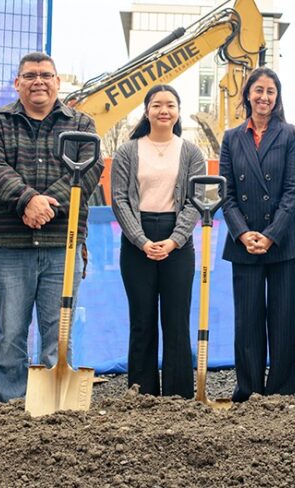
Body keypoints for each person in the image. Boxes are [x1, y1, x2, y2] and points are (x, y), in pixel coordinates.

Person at [0, 52, 102, 403]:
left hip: (62, 244)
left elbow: (90, 169)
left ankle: (52, 406)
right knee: (11, 332)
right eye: (29, 75)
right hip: (9, 245)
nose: (38, 82)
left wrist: (46, 205)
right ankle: (12, 402)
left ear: (58, 82)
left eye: (46, 75)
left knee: (58, 332)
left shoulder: (81, 124)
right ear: (17, 83)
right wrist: (26, 200)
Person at [111, 84, 205, 397]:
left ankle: (179, 395)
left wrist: (176, 239)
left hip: (177, 241)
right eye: (156, 105)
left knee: (177, 321)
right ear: (147, 110)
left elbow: (197, 200)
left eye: (170, 105)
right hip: (137, 239)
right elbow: (120, 199)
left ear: (178, 111)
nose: (163, 111)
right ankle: (141, 392)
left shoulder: (191, 152)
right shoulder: (128, 150)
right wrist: (140, 240)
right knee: (142, 319)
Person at [219, 68, 295, 401]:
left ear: (277, 96)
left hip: (282, 240)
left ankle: (281, 392)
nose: (264, 97)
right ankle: (249, 388)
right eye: (258, 90)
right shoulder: (231, 137)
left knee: (283, 320)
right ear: (247, 95)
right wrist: (243, 233)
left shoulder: (290, 135)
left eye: (270, 91)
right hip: (244, 242)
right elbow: (225, 193)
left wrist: (270, 234)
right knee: (248, 320)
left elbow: (292, 189)